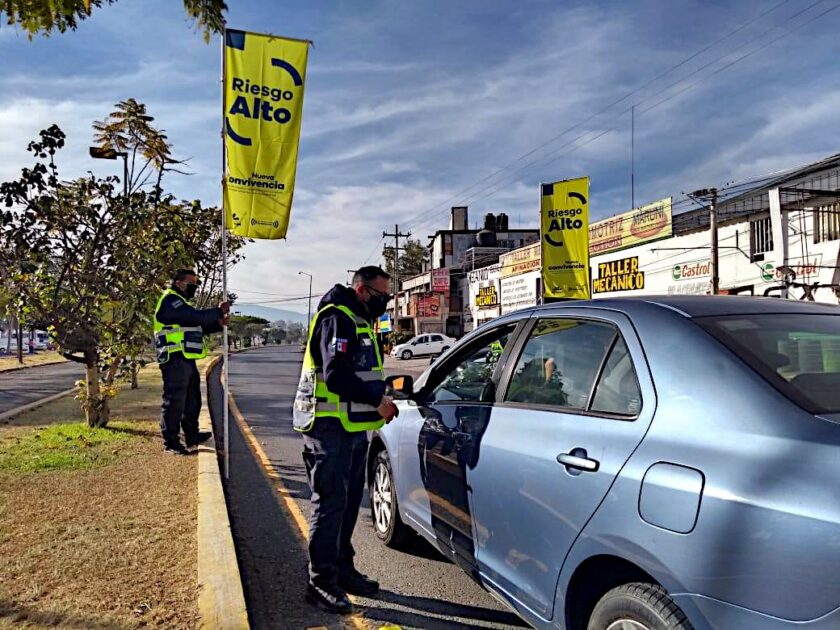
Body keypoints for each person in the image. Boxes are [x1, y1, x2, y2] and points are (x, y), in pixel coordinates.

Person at [293, 266, 399, 614]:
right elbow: (336, 376)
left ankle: (342, 568)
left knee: (351, 502)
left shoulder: (358, 320)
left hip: (352, 429)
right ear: (361, 290)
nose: (384, 302)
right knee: (331, 502)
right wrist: (377, 399)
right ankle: (321, 581)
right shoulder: (336, 319)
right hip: (328, 429)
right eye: (381, 296)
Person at [153, 269, 230, 455]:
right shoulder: (171, 300)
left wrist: (217, 324)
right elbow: (195, 317)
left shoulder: (182, 304)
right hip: (173, 358)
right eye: (192, 284)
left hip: (185, 358)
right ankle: (171, 442)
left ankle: (191, 435)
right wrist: (218, 310)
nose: (195, 288)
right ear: (179, 282)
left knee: (192, 400)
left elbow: (196, 326)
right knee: (174, 400)